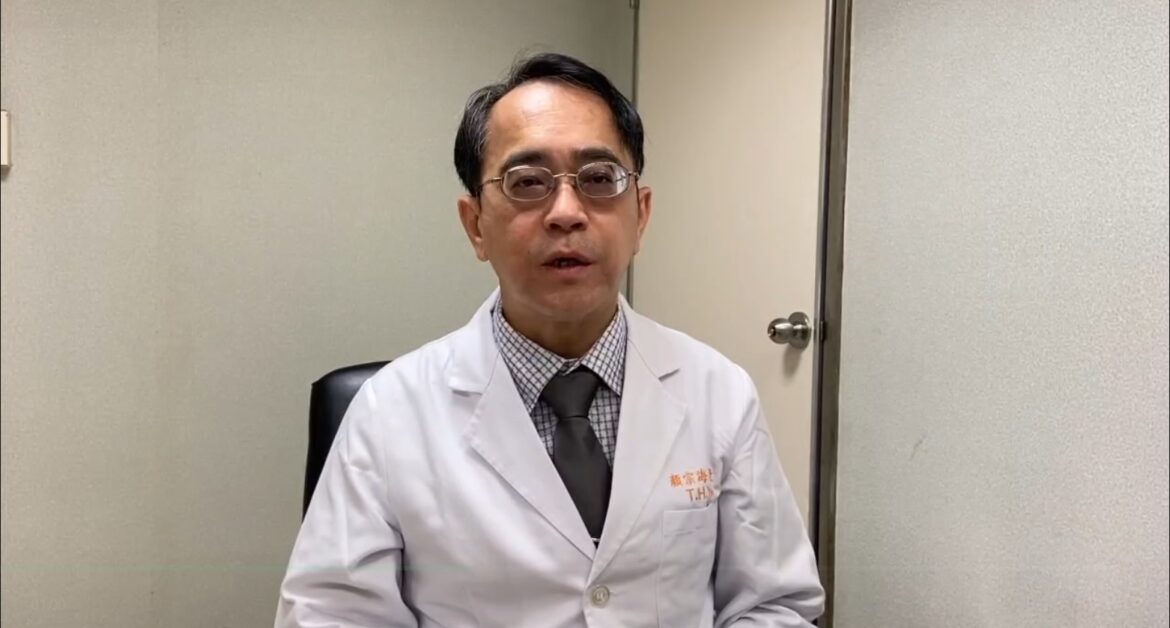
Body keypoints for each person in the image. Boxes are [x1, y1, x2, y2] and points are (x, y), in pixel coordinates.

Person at [275, 52, 824, 627]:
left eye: (599, 179)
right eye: (528, 183)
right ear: (475, 225)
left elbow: (774, 604)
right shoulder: (387, 412)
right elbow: (331, 615)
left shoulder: (720, 392)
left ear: (640, 215)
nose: (566, 212)